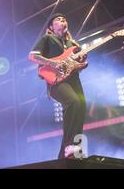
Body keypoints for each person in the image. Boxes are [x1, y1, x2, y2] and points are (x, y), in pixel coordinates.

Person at [28, 13, 87, 159]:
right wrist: (53, 63)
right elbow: (32, 56)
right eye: (58, 20)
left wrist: (82, 63)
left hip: (73, 80)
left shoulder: (74, 45)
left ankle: (71, 149)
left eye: (64, 19)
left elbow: (76, 65)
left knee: (81, 106)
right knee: (72, 102)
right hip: (56, 81)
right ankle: (69, 145)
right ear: (51, 27)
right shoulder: (48, 38)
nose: (62, 21)